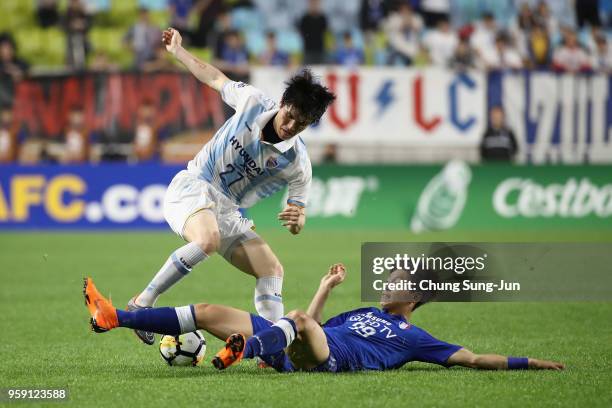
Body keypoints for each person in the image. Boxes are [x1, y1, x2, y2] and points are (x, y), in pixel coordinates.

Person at [125, 27, 336, 346]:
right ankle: (142, 303)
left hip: (227, 211)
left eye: (302, 124)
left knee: (272, 269)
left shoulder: (297, 163)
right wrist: (179, 52)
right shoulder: (251, 101)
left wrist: (297, 221)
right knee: (207, 240)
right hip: (194, 186)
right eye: (290, 116)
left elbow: (299, 214)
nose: (290, 126)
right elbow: (213, 77)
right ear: (282, 103)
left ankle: (271, 344)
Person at [83, 264, 564, 373]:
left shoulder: (416, 337)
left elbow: (476, 359)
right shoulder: (362, 311)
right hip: (301, 341)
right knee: (210, 311)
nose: (386, 286)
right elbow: (312, 322)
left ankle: (246, 352)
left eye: (396, 285)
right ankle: (117, 317)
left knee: (297, 322)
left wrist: (534, 363)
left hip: (328, 361)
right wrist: (324, 289)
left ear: (412, 301)